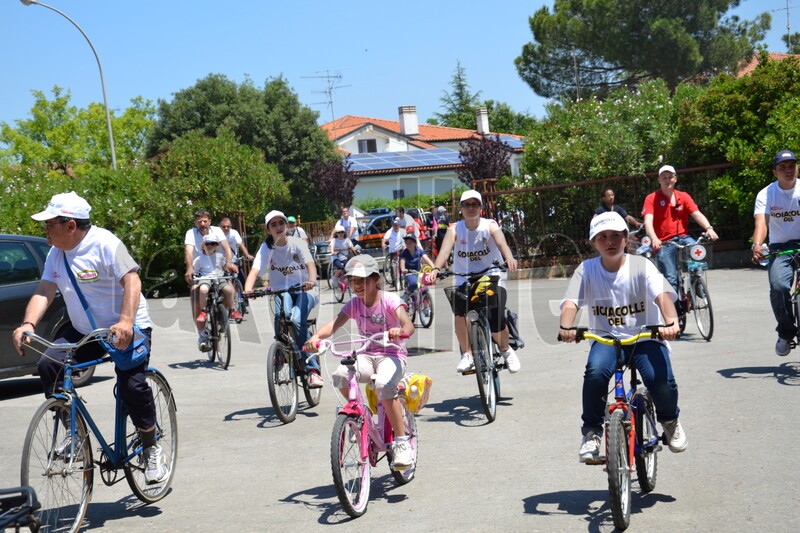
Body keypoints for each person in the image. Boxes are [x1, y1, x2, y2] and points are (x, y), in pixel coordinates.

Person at [12, 191, 169, 484]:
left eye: (49, 223)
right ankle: (72, 433)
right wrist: (28, 324)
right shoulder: (55, 254)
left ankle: (150, 446)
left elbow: (132, 280)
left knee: (133, 386)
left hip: (126, 327)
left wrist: (125, 322)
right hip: (87, 331)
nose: (44, 229)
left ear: (71, 225)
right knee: (49, 364)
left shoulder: (108, 244)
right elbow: (45, 290)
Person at [559, 211, 686, 462]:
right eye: (603, 236)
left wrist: (670, 322)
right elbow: (571, 303)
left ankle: (670, 421)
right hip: (607, 339)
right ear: (594, 242)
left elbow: (662, 295)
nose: (610, 241)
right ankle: (592, 433)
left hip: (645, 337)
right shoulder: (586, 270)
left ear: (626, 239)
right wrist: (566, 327)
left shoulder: (641, 266)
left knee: (660, 379)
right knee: (595, 373)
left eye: (616, 235)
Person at [304, 255, 415, 468]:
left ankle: (402, 442)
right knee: (340, 376)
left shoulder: (390, 300)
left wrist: (399, 331)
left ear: (375, 280)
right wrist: (317, 337)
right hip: (366, 354)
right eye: (353, 281)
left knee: (383, 385)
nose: (357, 286)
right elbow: (334, 325)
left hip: (392, 355)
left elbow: (408, 324)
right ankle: (362, 415)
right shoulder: (354, 304)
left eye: (362, 280)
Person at [427, 190, 521, 374]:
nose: (471, 208)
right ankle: (468, 354)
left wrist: (509, 257)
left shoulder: (489, 225)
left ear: (481, 207)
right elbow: (445, 251)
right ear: (460, 208)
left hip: (492, 274)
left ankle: (506, 350)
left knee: (495, 314)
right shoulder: (455, 229)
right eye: (467, 204)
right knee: (460, 311)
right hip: (465, 277)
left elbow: (502, 243)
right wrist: (436, 268)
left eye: (474, 204)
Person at [245, 210, 323, 387]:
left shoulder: (297, 243)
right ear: (268, 230)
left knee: (296, 319)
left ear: (287, 225)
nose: (278, 227)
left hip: (306, 289)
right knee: (282, 315)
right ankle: (281, 352)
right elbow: (256, 270)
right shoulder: (267, 248)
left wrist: (311, 280)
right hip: (282, 290)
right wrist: (248, 289)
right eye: (274, 225)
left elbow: (310, 264)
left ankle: (313, 370)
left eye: (281, 223)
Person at [642, 165, 718, 299]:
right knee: (671, 278)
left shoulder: (683, 196)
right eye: (664, 177)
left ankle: (696, 282)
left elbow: (697, 214)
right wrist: (654, 238)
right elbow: (648, 221)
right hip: (664, 241)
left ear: (675, 179)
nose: (667, 180)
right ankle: (675, 310)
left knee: (697, 250)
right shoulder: (651, 198)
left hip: (683, 237)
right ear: (659, 180)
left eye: (670, 177)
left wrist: (709, 228)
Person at [752, 149, 800, 356]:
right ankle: (786, 332)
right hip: (781, 247)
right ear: (775, 172)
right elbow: (762, 222)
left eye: (792, 166)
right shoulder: (767, 194)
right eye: (783, 168)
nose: (788, 171)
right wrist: (757, 244)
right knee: (779, 286)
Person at [184, 210, 241, 330]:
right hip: (201, 272)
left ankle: (222, 312)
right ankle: (202, 334)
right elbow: (188, 252)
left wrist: (229, 263)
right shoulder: (191, 233)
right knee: (195, 298)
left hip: (218, 269)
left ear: (209, 221)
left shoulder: (217, 230)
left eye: (205, 221)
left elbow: (226, 248)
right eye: (200, 221)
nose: (203, 224)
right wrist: (189, 268)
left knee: (230, 291)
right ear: (195, 223)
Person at [193, 233, 238, 350]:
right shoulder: (199, 259)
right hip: (206, 278)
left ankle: (232, 310)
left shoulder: (220, 256)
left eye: (213, 244)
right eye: (207, 244)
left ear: (217, 246)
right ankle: (203, 311)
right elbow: (195, 271)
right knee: (203, 289)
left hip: (219, 278)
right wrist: (195, 276)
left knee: (228, 290)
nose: (210, 246)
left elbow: (225, 267)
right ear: (203, 246)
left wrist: (230, 269)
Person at [399, 234, 435, 304]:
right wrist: (403, 269)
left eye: (410, 242)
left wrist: (434, 268)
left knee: (425, 288)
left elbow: (426, 259)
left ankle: (426, 307)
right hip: (408, 273)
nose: (408, 244)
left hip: (419, 272)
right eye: (406, 242)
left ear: (415, 243)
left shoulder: (419, 251)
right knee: (413, 283)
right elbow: (402, 262)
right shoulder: (404, 252)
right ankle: (405, 295)